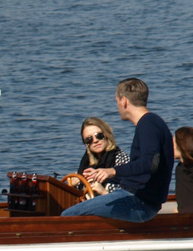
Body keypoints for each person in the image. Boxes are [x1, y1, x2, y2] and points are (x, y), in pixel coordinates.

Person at [62, 78, 173, 221]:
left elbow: (150, 163)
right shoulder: (152, 122)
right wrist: (104, 175)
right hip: (140, 200)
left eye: (117, 102)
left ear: (124, 101)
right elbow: (141, 173)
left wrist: (113, 170)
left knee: (67, 215)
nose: (117, 107)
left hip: (139, 203)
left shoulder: (148, 124)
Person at [74, 117, 128, 194]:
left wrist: (103, 192)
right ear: (86, 144)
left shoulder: (122, 161)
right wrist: (70, 184)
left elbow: (127, 197)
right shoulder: (85, 165)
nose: (95, 141)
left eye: (99, 135)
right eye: (89, 139)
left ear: (106, 135)